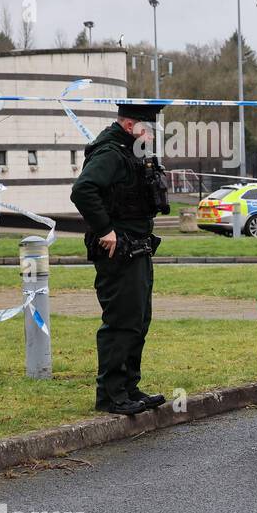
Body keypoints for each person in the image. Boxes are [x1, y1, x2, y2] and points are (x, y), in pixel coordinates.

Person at [70, 104, 170, 416]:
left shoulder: (133, 152)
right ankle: (110, 395)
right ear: (129, 125)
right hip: (119, 251)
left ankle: (129, 387)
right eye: (147, 128)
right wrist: (105, 229)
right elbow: (83, 190)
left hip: (138, 248)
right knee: (121, 322)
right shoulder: (110, 152)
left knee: (139, 320)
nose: (151, 135)